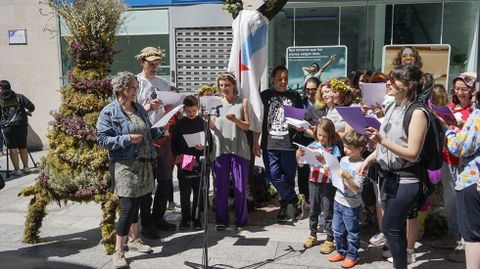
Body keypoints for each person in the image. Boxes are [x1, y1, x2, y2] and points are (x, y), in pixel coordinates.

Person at [359, 64, 433, 269]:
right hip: (388, 177)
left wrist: (381, 141)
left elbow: (412, 153)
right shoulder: (392, 106)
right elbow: (388, 144)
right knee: (395, 229)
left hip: (407, 179)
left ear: (409, 85)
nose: (388, 83)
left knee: (390, 227)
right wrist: (370, 158)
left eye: (394, 80)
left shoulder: (418, 112)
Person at [96, 72, 165, 268]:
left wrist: (160, 130)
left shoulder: (139, 109)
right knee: (127, 208)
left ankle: (134, 240)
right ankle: (119, 251)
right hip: (125, 166)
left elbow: (146, 132)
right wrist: (126, 139)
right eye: (133, 87)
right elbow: (102, 139)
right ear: (122, 89)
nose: (136, 91)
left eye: (136, 87)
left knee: (140, 203)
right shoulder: (110, 112)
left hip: (144, 164)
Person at [430, 73, 476, 262]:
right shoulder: (450, 107)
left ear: (472, 90)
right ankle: (453, 235)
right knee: (450, 202)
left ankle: (465, 243)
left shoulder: (474, 111)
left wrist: (459, 124)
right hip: (448, 160)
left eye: (463, 89)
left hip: (467, 165)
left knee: (465, 205)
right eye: (456, 89)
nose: (459, 93)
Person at [253, 65, 304, 223]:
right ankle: (294, 199)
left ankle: (284, 208)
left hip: (288, 143)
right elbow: (258, 121)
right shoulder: (265, 96)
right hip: (269, 143)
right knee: (273, 174)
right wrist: (256, 141)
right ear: (273, 79)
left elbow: (299, 122)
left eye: (286, 79)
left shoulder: (295, 96)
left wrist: (298, 144)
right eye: (280, 78)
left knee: (288, 178)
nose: (283, 81)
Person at [134, 46, 177, 235]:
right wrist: (148, 107)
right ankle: (147, 222)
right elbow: (129, 110)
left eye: (157, 64)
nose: (154, 67)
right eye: (151, 64)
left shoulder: (163, 83)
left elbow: (172, 109)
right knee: (146, 183)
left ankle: (159, 217)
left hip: (163, 135)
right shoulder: (135, 83)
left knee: (166, 180)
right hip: (144, 137)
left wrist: (171, 110)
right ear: (142, 62)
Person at [211, 73, 250, 231]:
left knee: (239, 187)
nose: (224, 88)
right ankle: (222, 220)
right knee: (220, 188)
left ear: (233, 85)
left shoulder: (243, 102)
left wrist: (236, 120)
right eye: (221, 85)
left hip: (239, 148)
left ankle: (241, 221)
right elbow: (213, 126)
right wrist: (204, 120)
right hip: (220, 148)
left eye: (227, 85)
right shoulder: (215, 103)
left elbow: (247, 126)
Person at [446, 88, 480, 269]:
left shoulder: (478, 115)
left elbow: (461, 147)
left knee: (473, 236)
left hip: (473, 180)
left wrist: (450, 130)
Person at [296, 118, 340, 254]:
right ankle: (312, 234)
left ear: (330, 135)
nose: (321, 138)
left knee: (328, 210)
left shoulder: (334, 148)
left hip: (328, 183)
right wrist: (298, 156)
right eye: (319, 135)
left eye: (324, 136)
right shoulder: (312, 146)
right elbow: (301, 165)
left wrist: (324, 161)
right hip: (313, 181)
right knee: (314, 209)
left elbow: (336, 168)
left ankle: (329, 238)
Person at [327, 131, 367, 268]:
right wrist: (329, 171)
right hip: (338, 200)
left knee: (352, 232)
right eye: (345, 147)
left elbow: (357, 189)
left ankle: (352, 255)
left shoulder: (362, 165)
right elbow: (336, 179)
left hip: (351, 205)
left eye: (350, 148)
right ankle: (341, 251)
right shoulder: (344, 160)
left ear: (360, 148)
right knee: (337, 229)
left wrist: (347, 177)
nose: (346, 150)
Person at [171, 95, 206, 231]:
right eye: (189, 111)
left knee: (198, 191)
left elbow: (209, 142)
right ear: (184, 110)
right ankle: (185, 218)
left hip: (198, 159)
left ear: (197, 108)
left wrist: (204, 147)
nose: (191, 114)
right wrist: (177, 156)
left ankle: (196, 218)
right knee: (185, 192)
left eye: (194, 111)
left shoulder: (202, 122)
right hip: (186, 159)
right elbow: (174, 143)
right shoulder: (180, 124)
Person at [0, 80, 35, 176]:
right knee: (23, 147)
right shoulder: (20, 97)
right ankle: (26, 168)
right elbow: (32, 107)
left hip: (8, 128)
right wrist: (27, 112)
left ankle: (17, 170)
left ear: (1, 89)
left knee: (13, 149)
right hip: (21, 126)